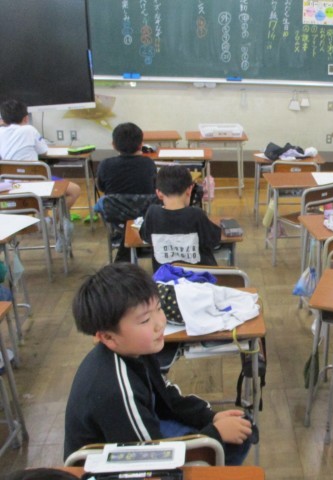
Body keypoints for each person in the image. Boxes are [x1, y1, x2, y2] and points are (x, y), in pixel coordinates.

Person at [64, 263, 252, 465]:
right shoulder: (116, 389)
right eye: (145, 320)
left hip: (140, 437)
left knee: (241, 429)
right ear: (108, 337)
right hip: (113, 466)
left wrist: (209, 417)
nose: (160, 323)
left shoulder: (137, 350)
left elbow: (165, 397)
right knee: (226, 446)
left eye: (159, 308)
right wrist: (214, 436)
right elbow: (151, 459)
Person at [0, 99, 81, 252]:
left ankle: (44, 220)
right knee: (74, 190)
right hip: (36, 184)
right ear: (26, 118)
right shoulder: (29, 130)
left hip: (10, 188)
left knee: (37, 196)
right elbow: (43, 151)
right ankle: (53, 221)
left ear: (2, 119)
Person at [140, 164, 221, 272]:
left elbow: (145, 236)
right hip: (199, 277)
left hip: (166, 278)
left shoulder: (152, 213)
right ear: (189, 189)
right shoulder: (196, 214)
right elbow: (214, 240)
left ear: (159, 193)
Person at [95, 122, 158, 262]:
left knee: (101, 203)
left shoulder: (105, 164)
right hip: (143, 216)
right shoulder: (148, 164)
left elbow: (101, 187)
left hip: (116, 215)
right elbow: (154, 187)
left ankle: (120, 236)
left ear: (113, 145)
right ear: (141, 145)